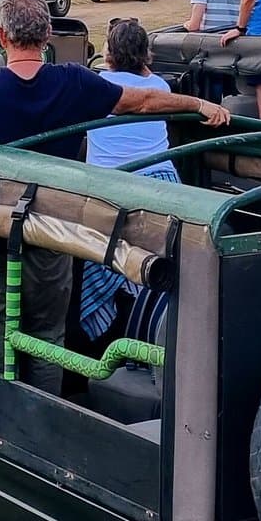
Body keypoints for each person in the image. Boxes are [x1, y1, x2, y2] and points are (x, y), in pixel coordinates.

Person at [0, 0, 229, 392]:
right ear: (47, 34)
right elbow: (142, 101)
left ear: (1, 35)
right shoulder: (74, 81)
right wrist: (198, 104)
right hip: (52, 227)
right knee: (48, 333)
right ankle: (43, 412)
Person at [81, 19, 180, 342]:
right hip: (161, 189)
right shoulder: (161, 87)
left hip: (110, 192)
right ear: (146, 54)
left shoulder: (97, 84)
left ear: (109, 54)